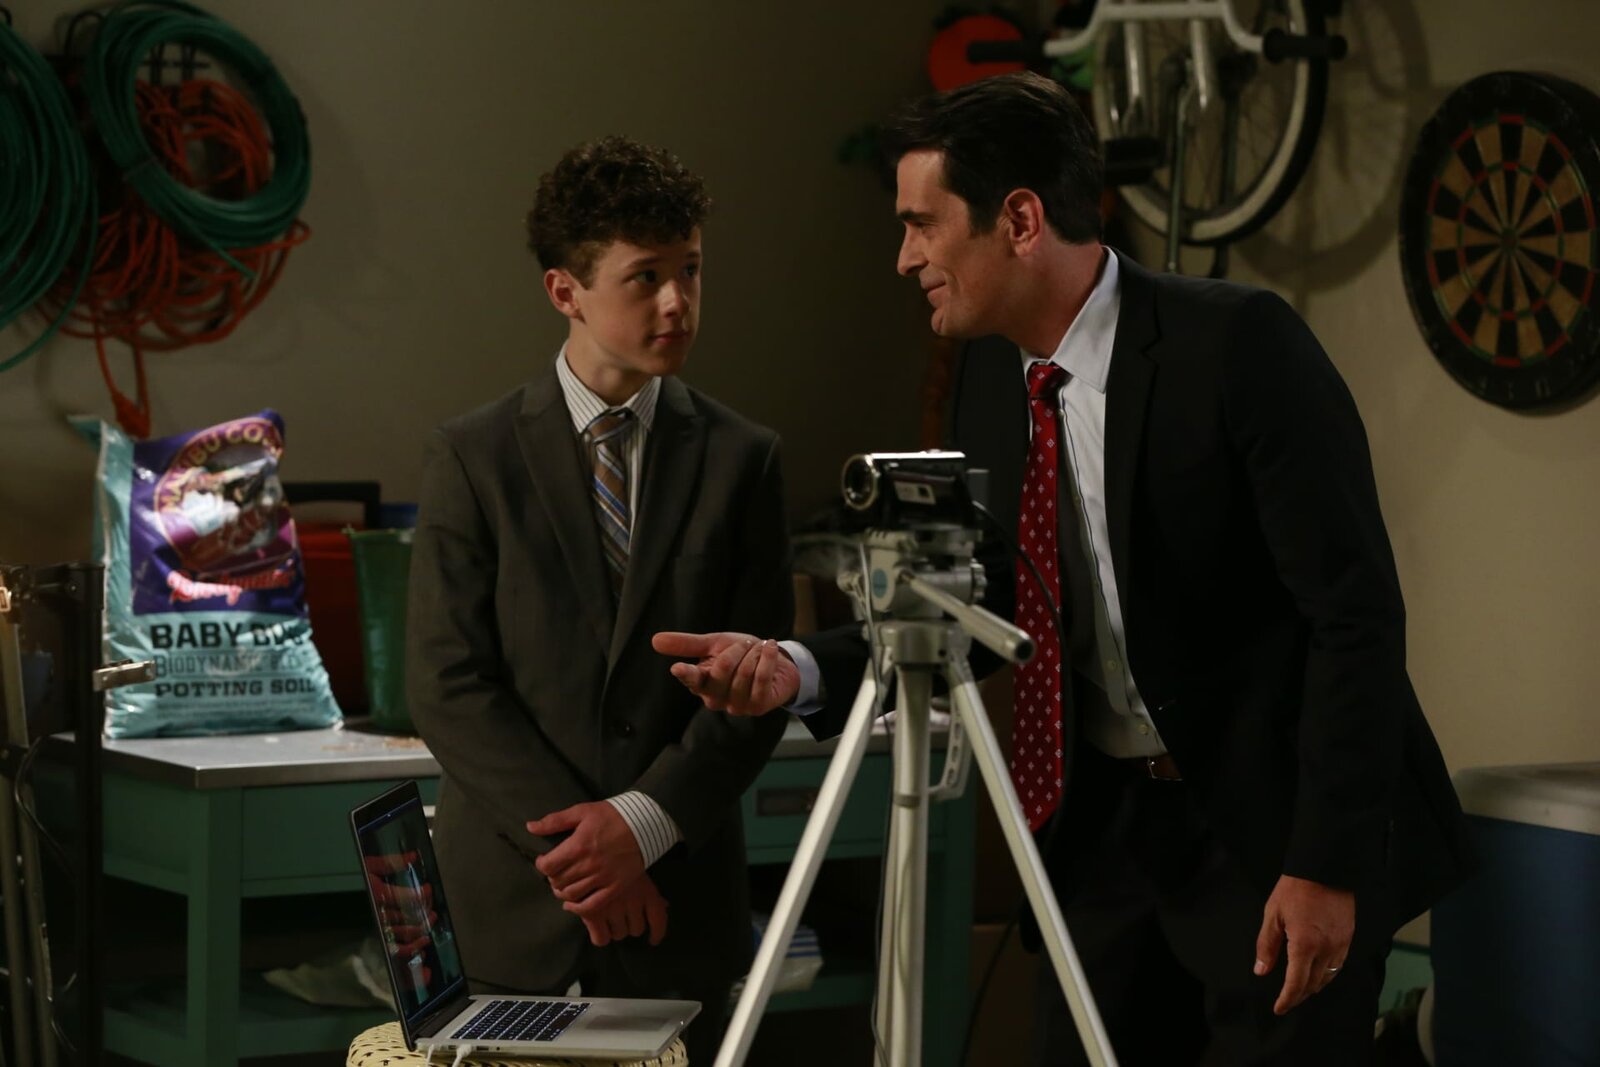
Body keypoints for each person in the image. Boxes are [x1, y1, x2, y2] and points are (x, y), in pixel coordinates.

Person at [653, 73, 1474, 1065]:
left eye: (921, 224)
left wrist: (1323, 863)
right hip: (1107, 839)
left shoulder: (1237, 345)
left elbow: (1354, 616)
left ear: (1019, 221)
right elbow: (991, 597)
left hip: (1271, 829)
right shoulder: (992, 380)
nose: (904, 257)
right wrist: (800, 667)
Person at [408, 135, 793, 1063]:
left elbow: (758, 686)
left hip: (678, 905)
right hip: (515, 910)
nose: (677, 302)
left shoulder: (743, 459)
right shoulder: (474, 455)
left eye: (690, 270)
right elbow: (447, 682)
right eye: (645, 277)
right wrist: (590, 857)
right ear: (565, 291)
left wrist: (642, 828)